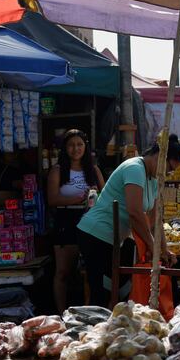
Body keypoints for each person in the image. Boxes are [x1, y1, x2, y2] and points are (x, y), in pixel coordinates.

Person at [77, 135, 180, 307]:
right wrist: (153, 246)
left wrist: (164, 250)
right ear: (159, 156)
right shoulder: (135, 168)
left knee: (121, 292)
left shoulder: (154, 179)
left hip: (116, 240)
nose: (167, 173)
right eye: (169, 168)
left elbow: (156, 220)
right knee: (102, 295)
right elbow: (135, 212)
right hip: (96, 235)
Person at [47, 130, 104, 313]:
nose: (76, 149)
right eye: (71, 145)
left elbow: (105, 196)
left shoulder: (93, 170)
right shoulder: (57, 170)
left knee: (89, 271)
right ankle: (61, 314)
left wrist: (93, 196)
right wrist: (78, 198)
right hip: (65, 221)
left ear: (85, 147)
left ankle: (89, 312)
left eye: (80, 144)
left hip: (90, 220)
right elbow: (52, 199)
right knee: (63, 271)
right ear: (65, 148)